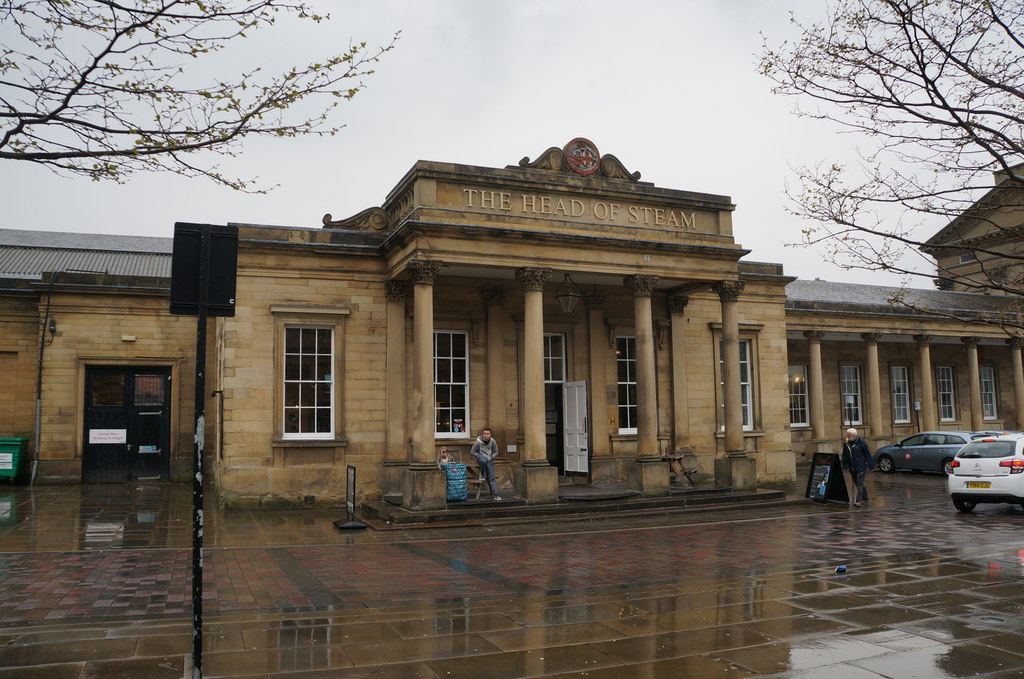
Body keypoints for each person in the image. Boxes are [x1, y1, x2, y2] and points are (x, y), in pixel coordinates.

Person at [841, 428, 875, 507]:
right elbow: (844, 454)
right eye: (847, 435)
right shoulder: (846, 442)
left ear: (854, 435)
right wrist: (844, 465)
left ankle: (858, 501)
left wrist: (871, 465)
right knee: (857, 483)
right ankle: (865, 496)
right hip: (851, 467)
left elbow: (867, 453)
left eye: (849, 435)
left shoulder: (861, 442)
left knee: (859, 483)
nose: (847, 436)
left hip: (860, 466)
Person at [470, 427, 501, 501]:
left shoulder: (493, 441)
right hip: (480, 458)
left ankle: (496, 495)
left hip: (489, 459)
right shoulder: (478, 442)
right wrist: (479, 455)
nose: (486, 435)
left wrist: (491, 457)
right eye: (484, 433)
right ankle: (482, 473)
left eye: (487, 434)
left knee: (491, 478)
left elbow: (496, 451)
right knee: (483, 460)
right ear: (482, 434)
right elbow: (472, 451)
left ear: (490, 434)